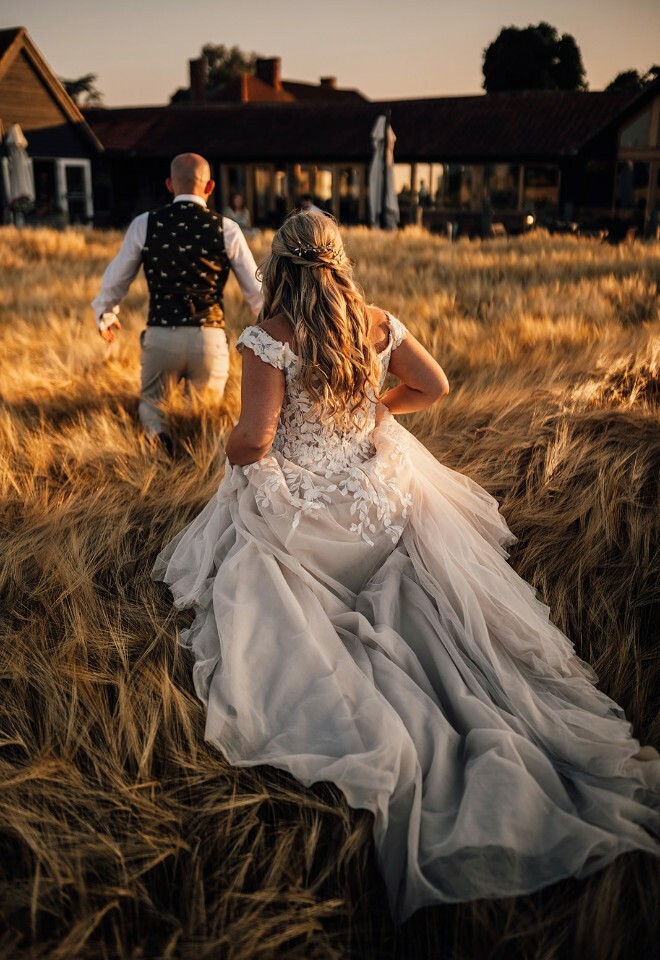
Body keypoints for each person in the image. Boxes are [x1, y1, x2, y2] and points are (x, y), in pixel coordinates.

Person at [153, 211, 659, 922]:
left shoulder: (271, 339)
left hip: (314, 522)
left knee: (249, 504)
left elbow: (253, 441)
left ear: (281, 264)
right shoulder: (376, 321)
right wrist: (368, 419)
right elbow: (437, 386)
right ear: (339, 259)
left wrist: (233, 455)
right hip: (379, 508)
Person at [92, 153, 263, 454]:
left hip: (161, 336)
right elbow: (257, 293)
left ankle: (159, 440)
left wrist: (106, 314)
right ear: (209, 187)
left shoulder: (144, 224)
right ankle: (198, 470)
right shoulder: (228, 229)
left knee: (152, 406)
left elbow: (115, 279)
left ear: (170, 185)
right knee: (205, 420)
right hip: (209, 338)